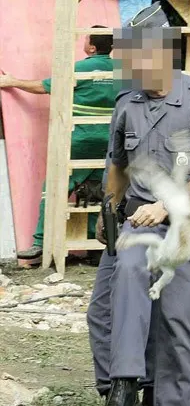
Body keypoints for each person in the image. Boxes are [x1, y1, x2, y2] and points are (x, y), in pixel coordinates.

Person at [65, 19, 190, 406]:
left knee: (175, 326)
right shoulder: (128, 103)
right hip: (134, 223)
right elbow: (118, 165)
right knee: (104, 312)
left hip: (184, 225)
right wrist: (107, 209)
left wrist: (164, 205)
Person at [0, 26, 116, 262]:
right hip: (110, 141)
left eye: (85, 40)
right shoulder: (124, 72)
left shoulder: (79, 68)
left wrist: (12, 81)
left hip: (81, 139)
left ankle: (40, 243)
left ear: (92, 47)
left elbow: (42, 87)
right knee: (98, 191)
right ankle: (97, 248)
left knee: (54, 188)